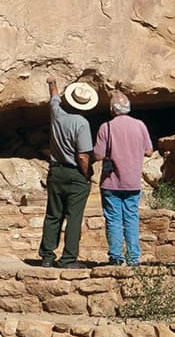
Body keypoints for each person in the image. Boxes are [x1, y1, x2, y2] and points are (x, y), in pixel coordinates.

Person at [37, 78, 97, 268]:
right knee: (74, 217)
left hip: (56, 171)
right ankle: (68, 258)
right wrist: (87, 175)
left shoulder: (57, 114)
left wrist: (52, 83)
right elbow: (82, 156)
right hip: (75, 174)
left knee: (53, 214)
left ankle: (47, 256)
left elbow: (54, 98)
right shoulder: (82, 124)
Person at [93, 90, 153, 266]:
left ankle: (116, 256)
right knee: (131, 219)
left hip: (111, 181)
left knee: (113, 219)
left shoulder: (106, 127)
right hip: (132, 181)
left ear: (112, 109)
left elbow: (98, 155)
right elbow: (149, 150)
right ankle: (133, 257)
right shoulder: (140, 125)